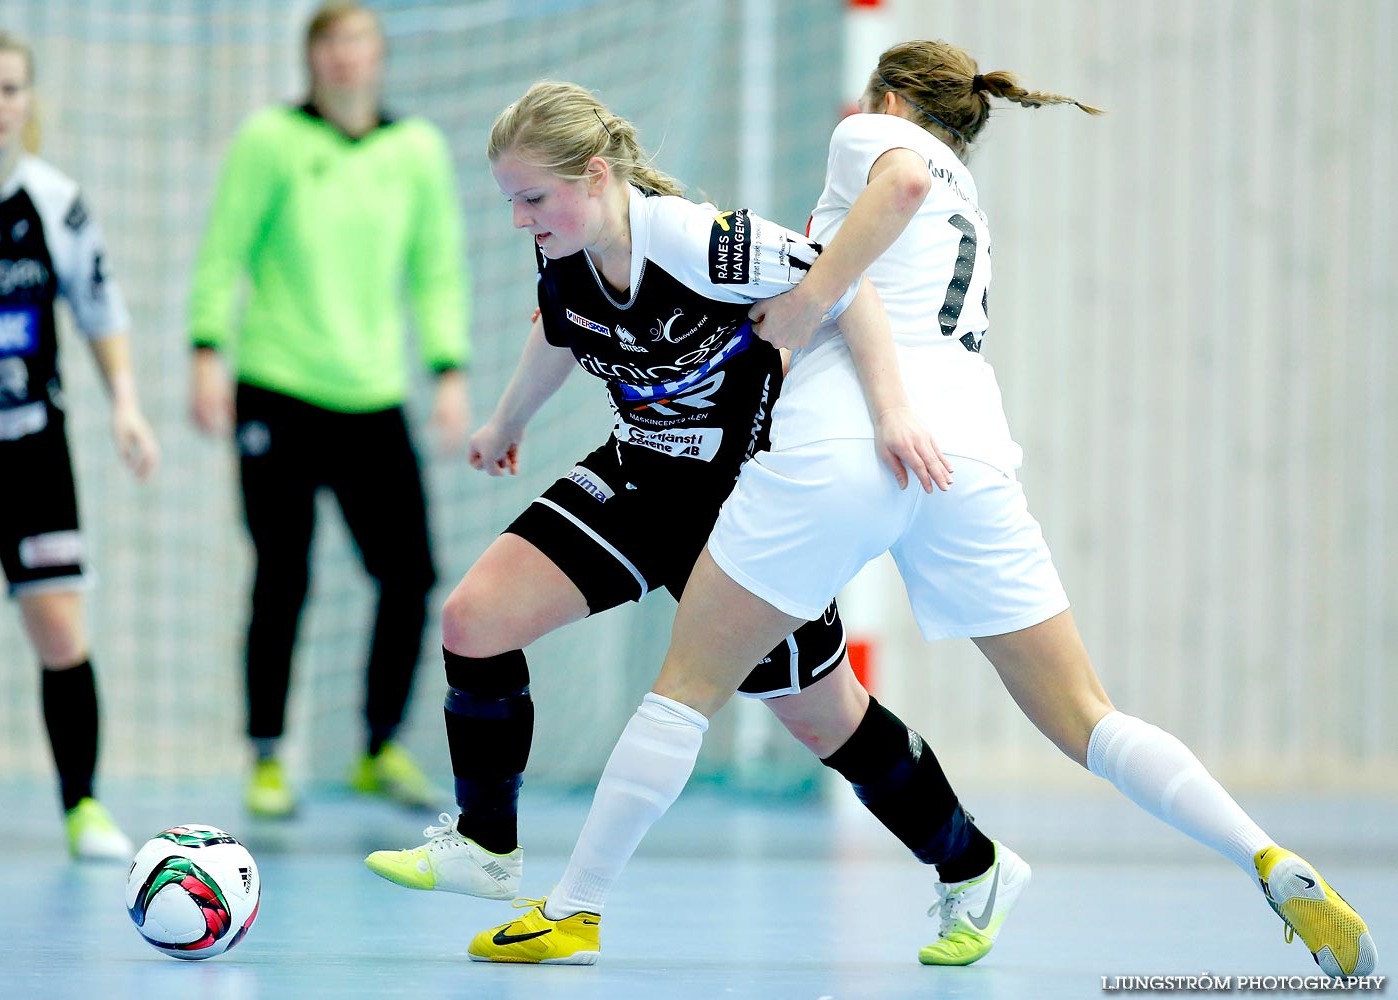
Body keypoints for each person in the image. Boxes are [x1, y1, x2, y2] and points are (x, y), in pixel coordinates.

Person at [467, 40, 1378, 979]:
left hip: (846, 439)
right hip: (968, 454)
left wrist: (813, 299)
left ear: (890, 99)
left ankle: (573, 910)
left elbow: (893, 185)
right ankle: (1261, 854)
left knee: (686, 687)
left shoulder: (878, 135)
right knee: (1087, 717)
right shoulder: (972, 211)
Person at [364, 79, 1030, 966]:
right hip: (637, 476)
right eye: (510, 200)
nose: (520, 217)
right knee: (473, 620)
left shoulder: (698, 243)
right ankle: (488, 848)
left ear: (595, 175)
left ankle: (973, 864)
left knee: (823, 718)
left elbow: (848, 292)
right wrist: (507, 421)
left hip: (744, 506)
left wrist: (891, 412)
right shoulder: (564, 242)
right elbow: (562, 329)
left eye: (532, 197)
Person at [188, 0, 471, 817]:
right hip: (275, 388)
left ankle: (378, 746)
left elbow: (436, 268)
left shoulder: (413, 150)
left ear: (379, 57)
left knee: (410, 573)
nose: (346, 59)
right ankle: (267, 756)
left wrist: (447, 371)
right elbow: (223, 249)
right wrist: (207, 349)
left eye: (359, 43)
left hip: (371, 396)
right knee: (283, 572)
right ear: (310, 58)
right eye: (331, 45)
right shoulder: (270, 142)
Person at [0, 31, 160, 859]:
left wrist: (125, 406)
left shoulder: (54, 202)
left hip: (29, 450)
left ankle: (82, 807)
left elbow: (100, 311)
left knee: (59, 628)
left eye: (10, 89)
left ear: (30, 103)